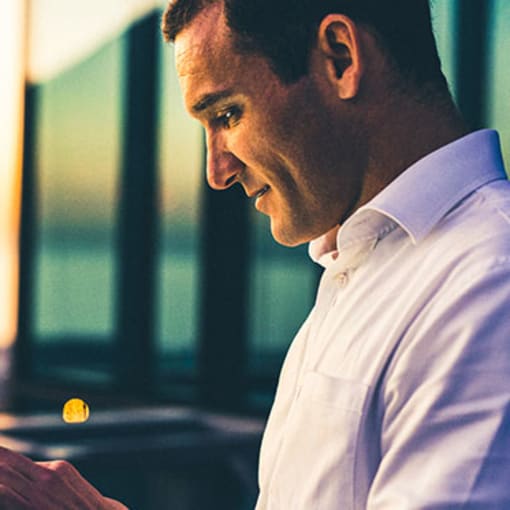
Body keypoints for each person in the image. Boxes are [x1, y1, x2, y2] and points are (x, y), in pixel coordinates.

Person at [0, 0, 509, 508]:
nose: (217, 172)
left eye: (226, 114)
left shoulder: (489, 284)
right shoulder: (358, 274)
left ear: (340, 58)